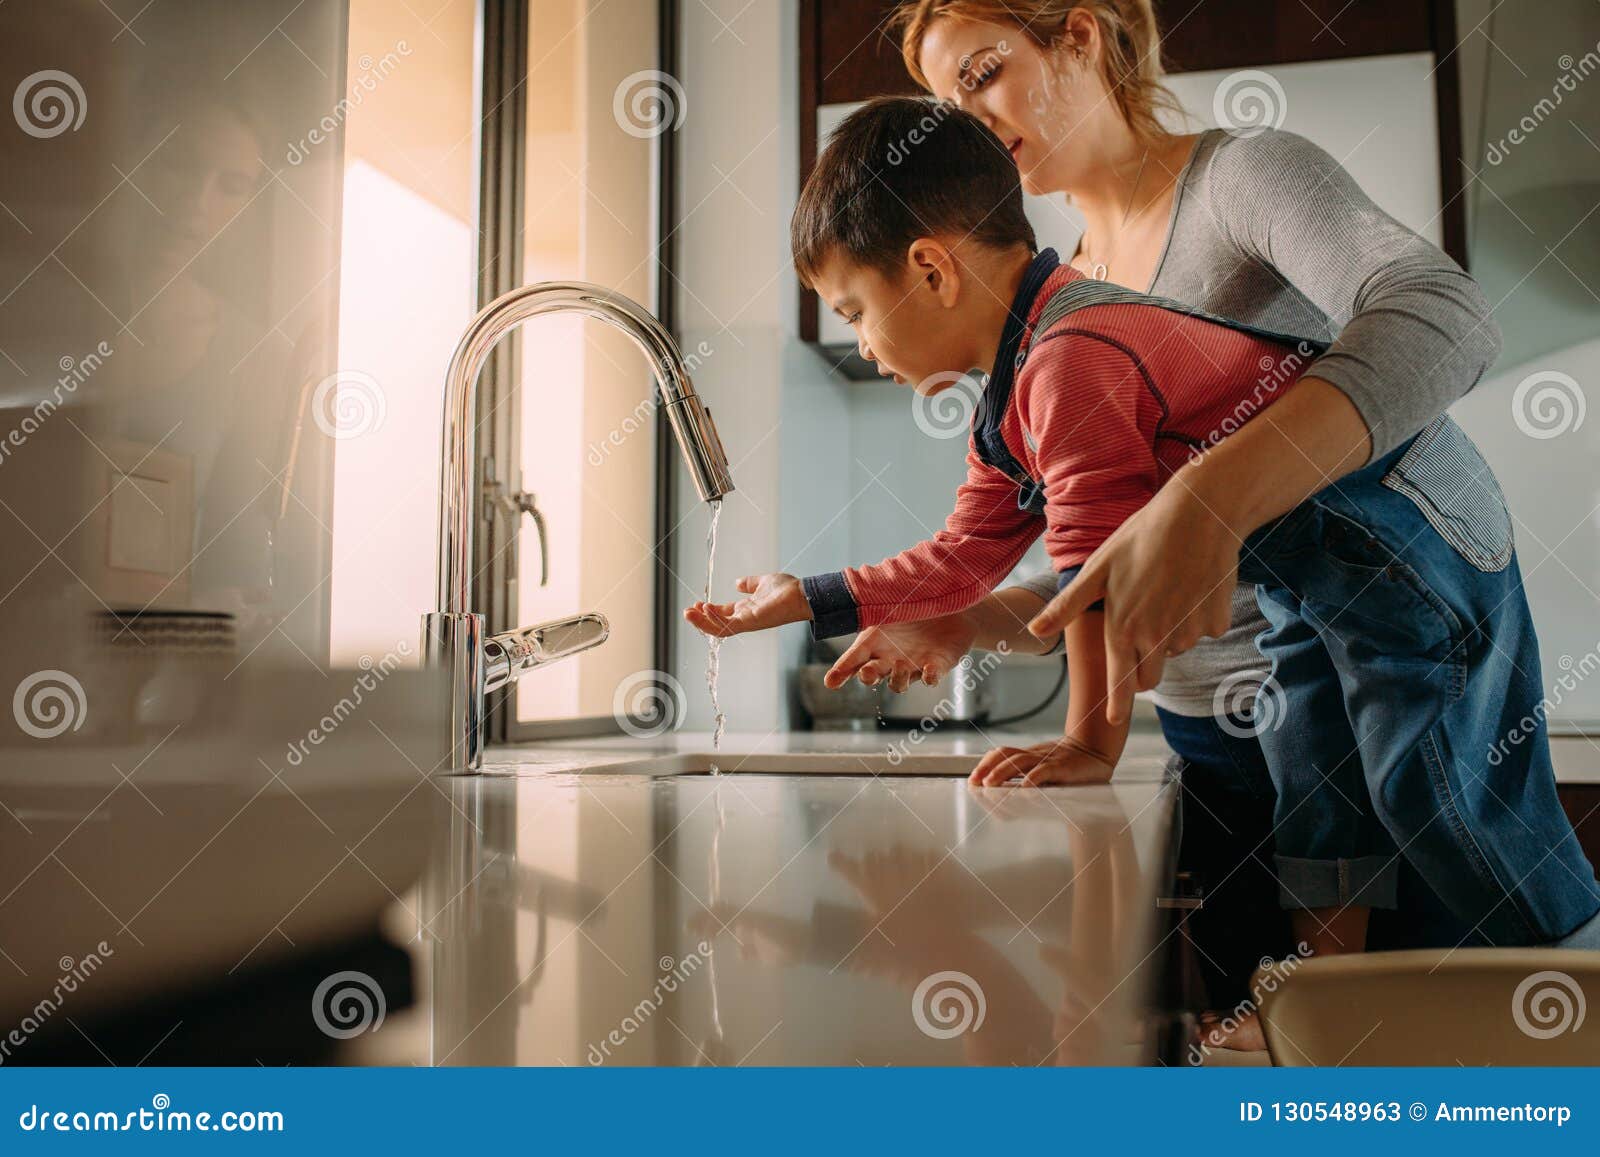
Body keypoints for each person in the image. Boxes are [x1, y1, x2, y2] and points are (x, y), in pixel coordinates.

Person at [682, 98, 1600, 969]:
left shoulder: (1068, 358)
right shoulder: (1017, 387)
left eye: (853, 312)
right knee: (1316, 779)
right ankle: (1328, 998)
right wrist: (812, 596)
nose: (865, 346)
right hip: (1301, 575)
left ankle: (1570, 980)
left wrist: (1090, 743)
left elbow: (1094, 578)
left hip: (1400, 537)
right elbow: (967, 554)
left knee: (1435, 792)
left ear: (932, 268)